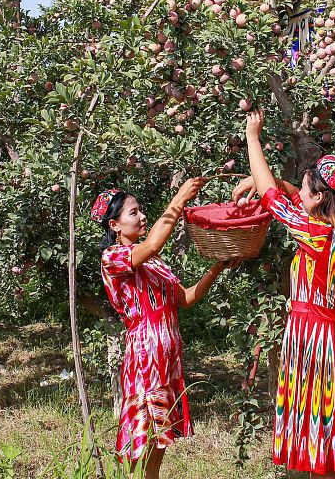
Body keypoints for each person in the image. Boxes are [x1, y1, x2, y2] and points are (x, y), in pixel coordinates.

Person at [235, 109, 335, 476]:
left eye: (307, 188)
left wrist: (252, 138)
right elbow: (292, 195)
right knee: (325, 442)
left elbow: (273, 198)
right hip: (329, 339)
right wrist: (276, 181)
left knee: (321, 443)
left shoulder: (318, 235)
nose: (301, 193)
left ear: (319, 200)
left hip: (316, 346)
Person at [95, 179, 234, 479]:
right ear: (115, 225)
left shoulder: (154, 262)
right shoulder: (113, 259)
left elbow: (185, 298)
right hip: (145, 356)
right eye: (134, 213)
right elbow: (154, 243)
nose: (142, 216)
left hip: (167, 358)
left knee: (160, 439)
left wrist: (217, 267)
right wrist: (179, 199)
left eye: (141, 211)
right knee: (142, 437)